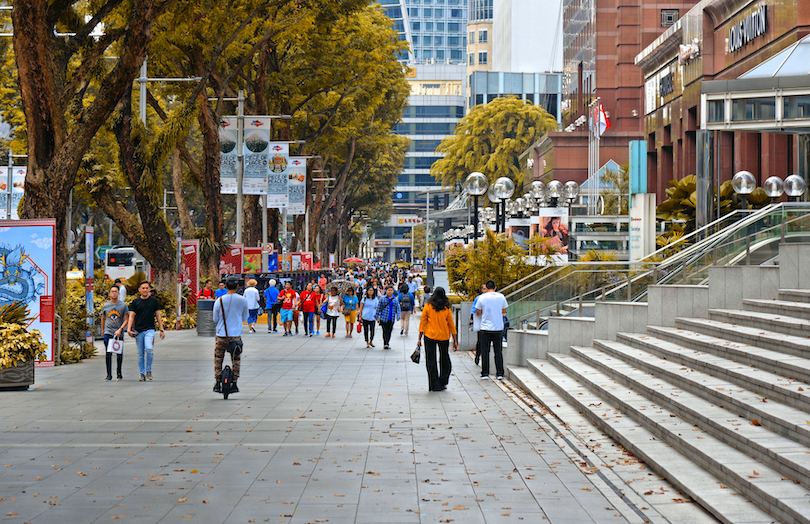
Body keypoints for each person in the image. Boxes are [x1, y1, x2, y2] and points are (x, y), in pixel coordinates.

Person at [212, 278, 249, 394]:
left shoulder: (220, 300)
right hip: (236, 335)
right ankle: (234, 383)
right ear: (237, 286)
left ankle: (218, 382)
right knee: (236, 360)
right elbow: (245, 317)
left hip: (221, 334)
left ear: (226, 286)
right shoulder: (243, 300)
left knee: (218, 359)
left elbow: (215, 319)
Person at [417, 287, 458, 391]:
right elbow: (451, 324)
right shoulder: (446, 308)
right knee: (445, 359)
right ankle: (443, 381)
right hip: (444, 336)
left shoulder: (428, 306)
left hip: (429, 335)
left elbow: (423, 322)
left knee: (431, 360)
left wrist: (419, 338)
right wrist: (455, 340)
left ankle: (433, 384)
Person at [127, 281, 165, 382]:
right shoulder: (135, 302)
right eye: (143, 288)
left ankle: (149, 370)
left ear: (149, 289)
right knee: (140, 353)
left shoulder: (154, 301)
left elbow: (158, 315)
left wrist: (162, 329)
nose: (145, 290)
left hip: (150, 329)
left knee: (149, 349)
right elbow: (131, 316)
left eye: (147, 288)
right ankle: (142, 373)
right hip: (138, 331)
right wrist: (129, 328)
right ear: (139, 290)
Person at [475, 279, 509, 380]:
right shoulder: (501, 297)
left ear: (486, 287)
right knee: (498, 351)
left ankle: (485, 373)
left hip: (485, 327)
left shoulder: (482, 297)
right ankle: (499, 373)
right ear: (495, 288)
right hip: (498, 327)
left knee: (485, 351)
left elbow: (478, 312)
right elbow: (504, 310)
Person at [101, 285, 129, 381]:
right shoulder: (106, 306)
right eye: (112, 291)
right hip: (108, 331)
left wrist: (121, 329)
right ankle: (109, 374)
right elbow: (103, 318)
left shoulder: (123, 305)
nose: (114, 293)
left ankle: (119, 373)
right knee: (108, 352)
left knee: (119, 353)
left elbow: (126, 320)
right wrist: (103, 330)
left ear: (119, 293)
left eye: (116, 291)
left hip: (118, 332)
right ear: (109, 294)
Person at [375, 286, 401, 350]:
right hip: (384, 317)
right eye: (389, 290)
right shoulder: (382, 298)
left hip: (391, 318)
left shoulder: (395, 299)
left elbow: (398, 308)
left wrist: (398, 316)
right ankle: (385, 343)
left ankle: (387, 341)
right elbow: (379, 307)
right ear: (386, 291)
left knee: (389, 331)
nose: (390, 291)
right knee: (385, 330)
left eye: (391, 290)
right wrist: (377, 315)